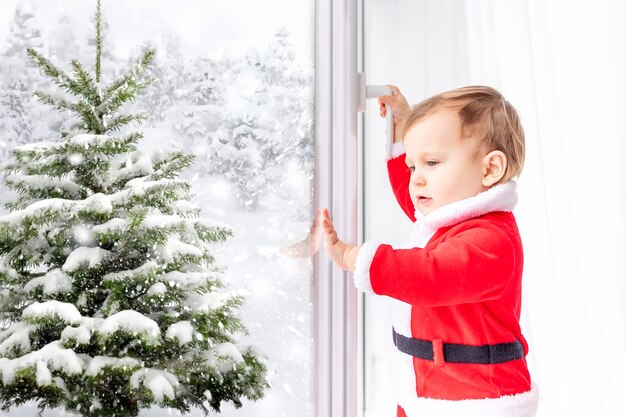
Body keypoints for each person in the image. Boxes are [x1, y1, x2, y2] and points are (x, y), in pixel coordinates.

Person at [320, 85, 539, 417]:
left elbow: (430, 275)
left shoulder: (492, 240)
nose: (416, 180)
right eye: (412, 167)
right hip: (430, 391)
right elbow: (415, 201)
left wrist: (356, 258)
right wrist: (402, 125)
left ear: (490, 169)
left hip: (478, 400)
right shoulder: (451, 219)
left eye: (432, 162)